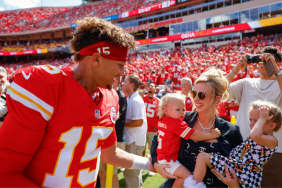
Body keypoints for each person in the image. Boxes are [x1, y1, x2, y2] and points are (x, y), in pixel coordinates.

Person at [0, 17, 153, 187]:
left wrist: (149, 164)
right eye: (119, 65)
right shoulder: (46, 87)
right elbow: (5, 173)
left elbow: (110, 154)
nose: (122, 72)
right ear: (96, 60)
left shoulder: (111, 98)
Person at [151, 68, 243, 188]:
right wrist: (156, 162)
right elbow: (157, 139)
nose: (195, 99)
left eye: (202, 95)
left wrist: (235, 185)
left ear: (217, 99)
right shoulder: (181, 119)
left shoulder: (231, 130)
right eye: (194, 93)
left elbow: (241, 167)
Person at [226, 46, 282, 187]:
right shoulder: (246, 83)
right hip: (245, 149)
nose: (262, 63)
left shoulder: (279, 82)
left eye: (267, 60)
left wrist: (276, 70)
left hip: (276, 151)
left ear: (277, 63)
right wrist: (236, 69)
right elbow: (219, 90)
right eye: (260, 59)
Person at [191, 100, 280, 188]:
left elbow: (254, 135)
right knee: (203, 157)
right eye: (250, 119)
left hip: (245, 174)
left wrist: (263, 118)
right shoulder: (258, 137)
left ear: (272, 126)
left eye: (257, 121)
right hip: (236, 168)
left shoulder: (271, 140)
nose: (252, 124)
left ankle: (192, 186)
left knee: (202, 157)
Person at [157, 93, 221, 188]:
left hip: (164, 158)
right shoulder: (176, 123)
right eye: (178, 110)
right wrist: (211, 135)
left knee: (184, 178)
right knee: (189, 179)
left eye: (183, 109)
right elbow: (193, 135)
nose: (182, 113)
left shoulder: (163, 120)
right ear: (165, 110)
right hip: (169, 161)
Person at [98, 77, 127, 188]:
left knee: (112, 174)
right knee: (102, 173)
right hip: (101, 139)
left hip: (115, 139)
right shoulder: (102, 93)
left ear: (116, 81)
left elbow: (115, 117)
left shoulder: (120, 96)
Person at [122, 74, 147, 188]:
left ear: (132, 85)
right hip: (132, 139)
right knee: (133, 172)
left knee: (132, 173)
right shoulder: (131, 98)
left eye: (125, 82)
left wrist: (121, 123)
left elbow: (138, 122)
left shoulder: (136, 100)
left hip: (135, 141)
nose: (123, 83)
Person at [142, 82, 160, 176]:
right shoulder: (141, 98)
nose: (150, 87)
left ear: (155, 89)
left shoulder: (158, 101)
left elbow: (160, 116)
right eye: (148, 86)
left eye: (152, 86)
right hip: (142, 128)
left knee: (152, 149)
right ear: (145, 87)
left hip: (153, 129)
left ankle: (151, 167)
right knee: (142, 148)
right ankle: (142, 166)